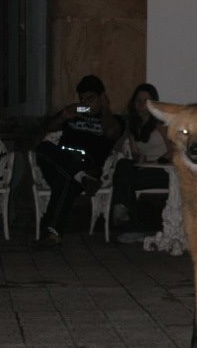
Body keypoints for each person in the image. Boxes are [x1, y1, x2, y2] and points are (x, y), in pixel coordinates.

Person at [32, 75, 123, 248]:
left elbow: (112, 133)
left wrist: (105, 108)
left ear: (102, 97)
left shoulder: (112, 120)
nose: (86, 104)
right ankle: (80, 176)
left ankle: (51, 234)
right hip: (63, 162)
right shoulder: (75, 115)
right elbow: (49, 127)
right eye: (82, 99)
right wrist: (63, 116)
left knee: (64, 182)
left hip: (88, 165)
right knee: (44, 148)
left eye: (91, 99)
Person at [112, 83, 172, 239]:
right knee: (124, 166)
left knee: (127, 179)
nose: (141, 105)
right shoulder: (134, 126)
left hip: (164, 171)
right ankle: (129, 221)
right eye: (138, 101)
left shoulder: (161, 125)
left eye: (145, 101)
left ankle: (126, 217)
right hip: (145, 169)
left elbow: (176, 149)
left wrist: (160, 160)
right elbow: (134, 153)